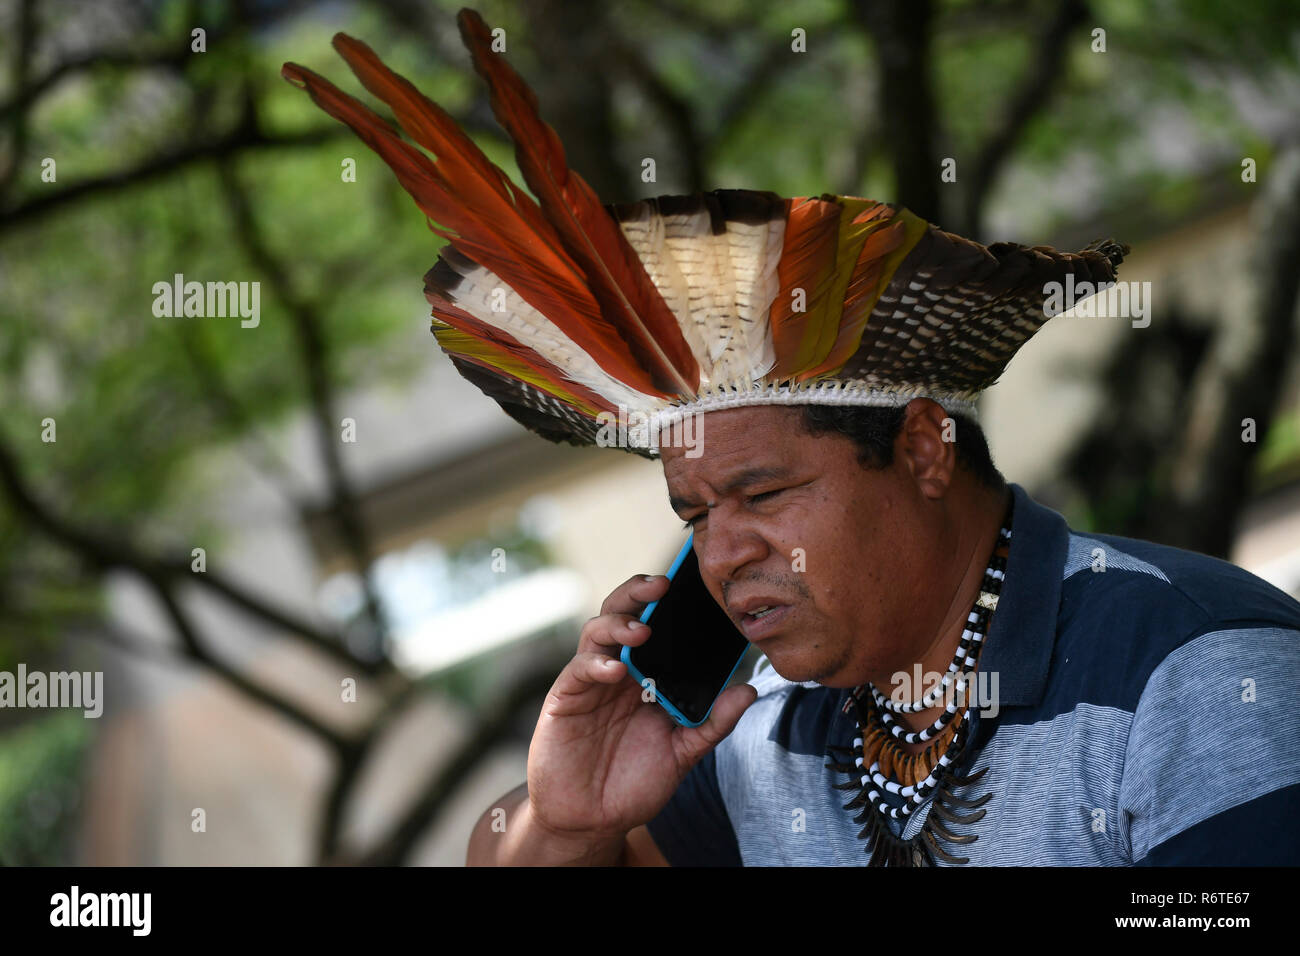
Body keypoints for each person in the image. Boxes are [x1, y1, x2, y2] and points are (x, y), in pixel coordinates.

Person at [282, 8, 1300, 866]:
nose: (720, 555)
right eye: (694, 512)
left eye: (762, 495)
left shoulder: (1193, 671)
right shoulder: (760, 729)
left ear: (922, 448)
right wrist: (564, 818)